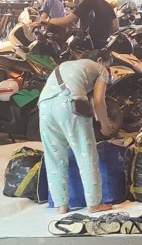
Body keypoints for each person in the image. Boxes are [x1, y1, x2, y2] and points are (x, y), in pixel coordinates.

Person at [38, 47, 115, 215]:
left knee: (54, 157)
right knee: (85, 153)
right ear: (100, 60)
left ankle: (61, 205)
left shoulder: (65, 65)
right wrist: (105, 126)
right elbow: (98, 101)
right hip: (69, 103)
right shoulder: (100, 69)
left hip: (44, 106)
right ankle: (94, 203)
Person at [47, 0, 118, 51]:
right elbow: (115, 26)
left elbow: (66, 20)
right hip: (103, 45)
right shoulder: (106, 3)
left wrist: (48, 20)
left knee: (65, 50)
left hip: (88, 44)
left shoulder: (87, 2)